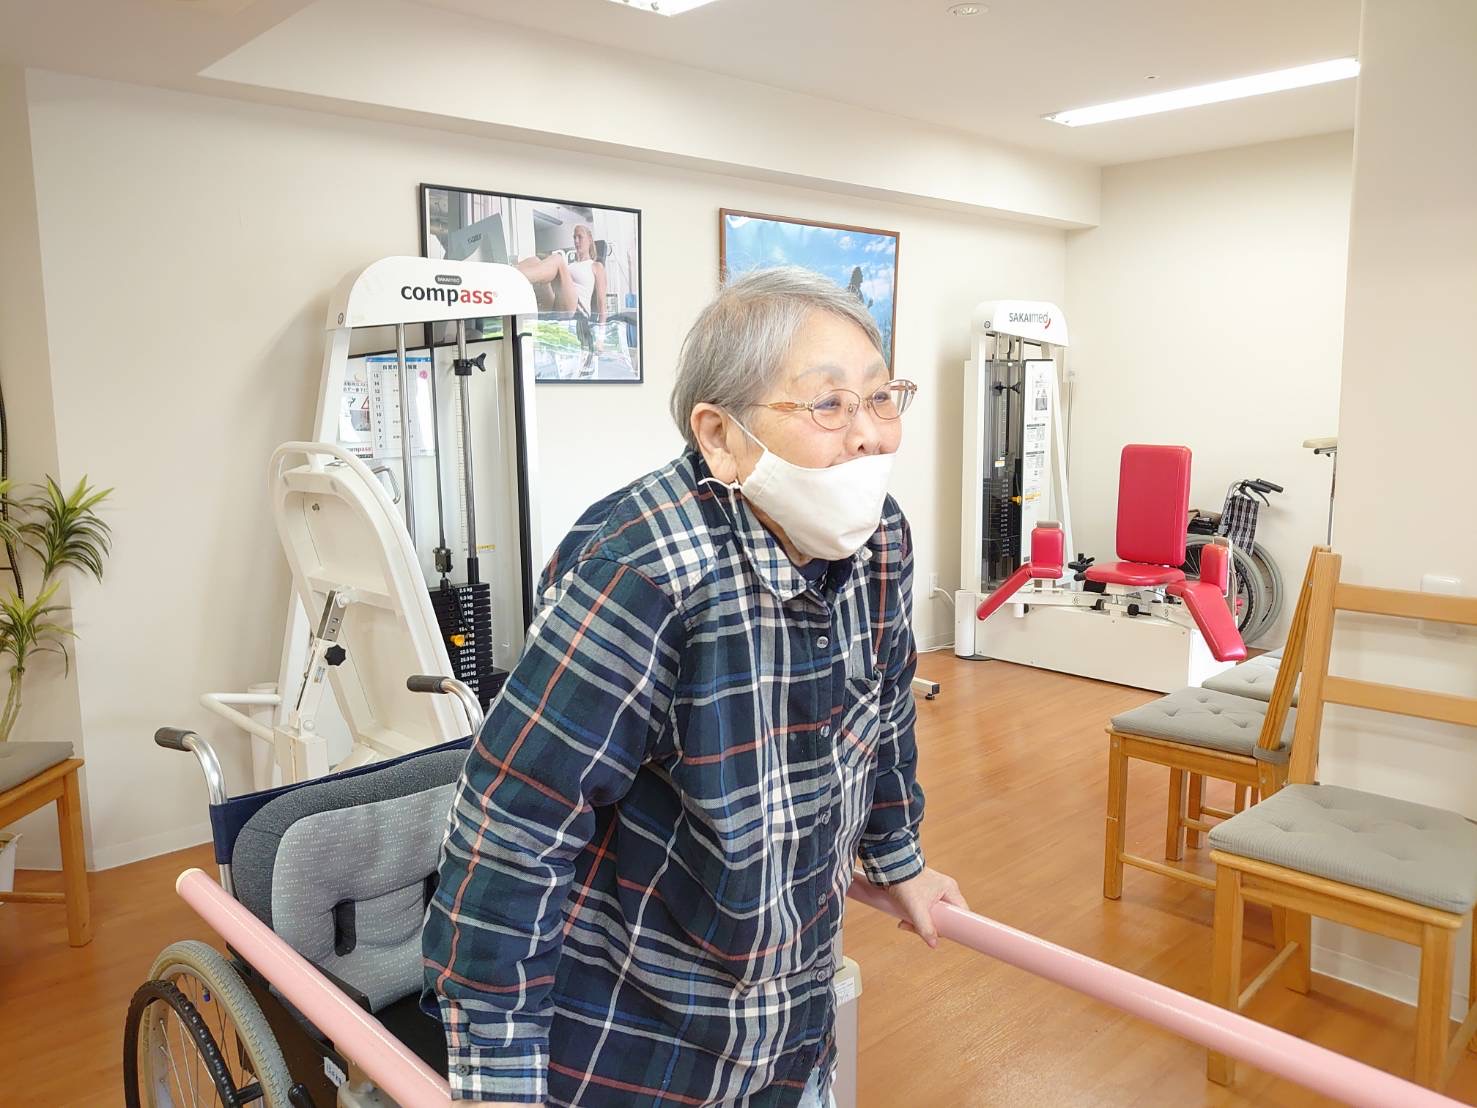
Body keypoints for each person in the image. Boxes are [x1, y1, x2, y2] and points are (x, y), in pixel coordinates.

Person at [423, 266, 966, 1107]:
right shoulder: (640, 571)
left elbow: (886, 710)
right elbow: (514, 828)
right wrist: (495, 1081)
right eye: (828, 404)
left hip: (791, 1022)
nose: (869, 436)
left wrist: (897, 857)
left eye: (880, 397)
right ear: (719, 435)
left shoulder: (878, 538)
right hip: (640, 1036)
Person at [516, 224, 608, 372]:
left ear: (590, 239)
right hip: (556, 304)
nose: (576, 241)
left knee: (558, 260)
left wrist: (601, 339)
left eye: (580, 237)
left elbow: (602, 303)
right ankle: (508, 270)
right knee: (535, 260)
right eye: (574, 237)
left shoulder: (596, 266)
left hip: (577, 311)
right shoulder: (571, 265)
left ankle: (513, 278)